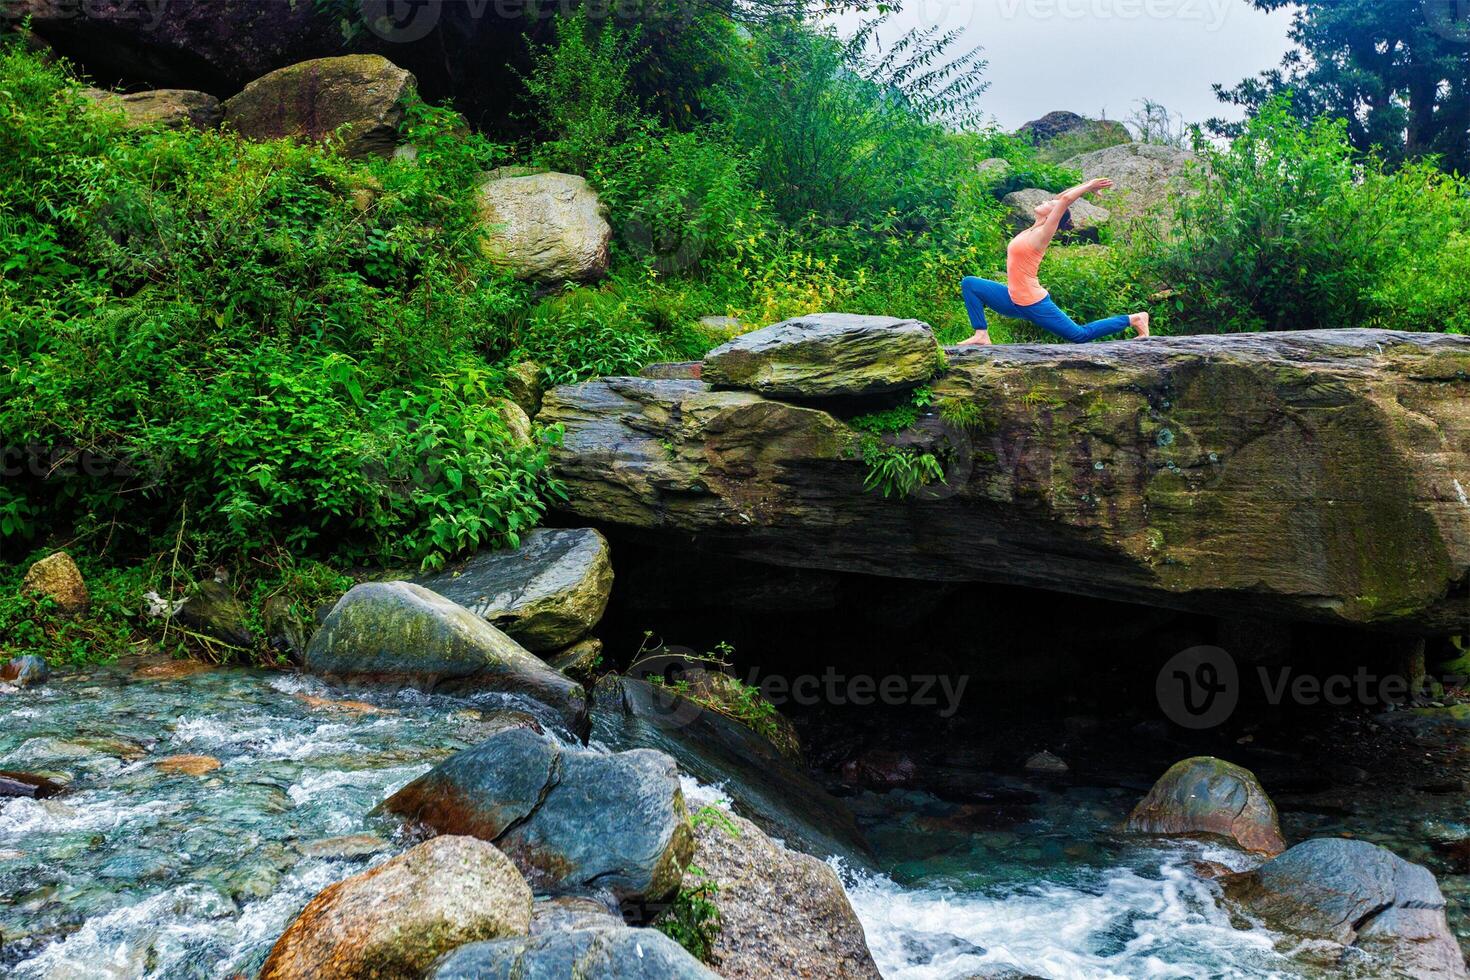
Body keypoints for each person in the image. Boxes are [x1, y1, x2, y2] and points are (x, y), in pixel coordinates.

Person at [958, 177, 1149, 346]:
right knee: (970, 284)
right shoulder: (1035, 227)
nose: (1046, 201)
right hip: (1012, 298)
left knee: (1079, 335)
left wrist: (1089, 185)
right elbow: (1061, 197)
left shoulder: (1043, 234)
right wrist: (1087, 187)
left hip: (1033, 302)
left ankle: (1134, 319)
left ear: (1053, 216)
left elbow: (1064, 201)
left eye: (1050, 204)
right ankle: (981, 334)